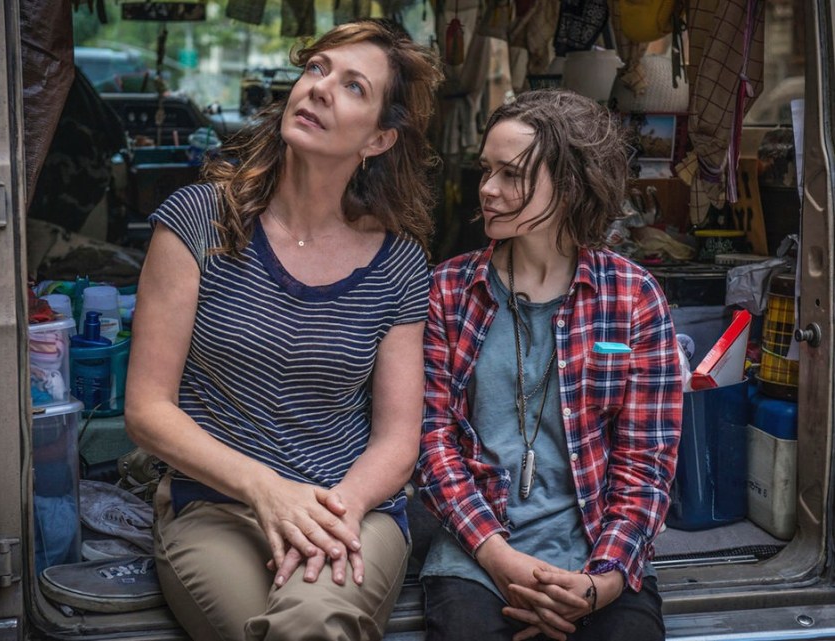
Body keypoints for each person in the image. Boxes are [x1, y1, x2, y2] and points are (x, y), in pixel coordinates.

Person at [124, 18, 442, 641]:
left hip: (351, 507)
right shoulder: (197, 222)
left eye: (353, 86)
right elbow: (146, 410)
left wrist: (333, 514)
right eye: (317, 69)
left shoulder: (399, 262)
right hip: (215, 506)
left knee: (312, 619)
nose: (320, 87)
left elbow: (397, 440)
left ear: (379, 139)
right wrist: (268, 491)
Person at [414, 89, 682, 641]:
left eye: (511, 174)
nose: (487, 189)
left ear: (570, 183)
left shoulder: (632, 295)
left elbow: (647, 461)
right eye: (486, 170)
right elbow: (431, 441)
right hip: (477, 551)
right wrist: (500, 560)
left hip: (599, 550)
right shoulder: (448, 290)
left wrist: (601, 584)